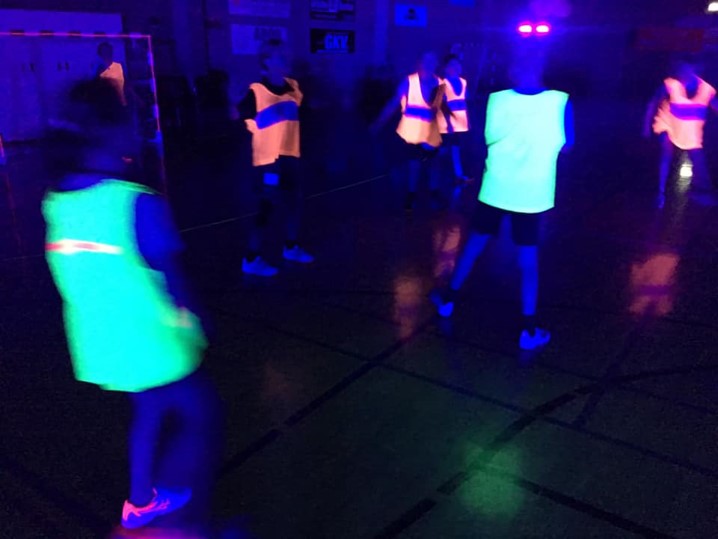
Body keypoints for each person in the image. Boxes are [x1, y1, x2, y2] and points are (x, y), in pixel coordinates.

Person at [43, 78, 220, 531]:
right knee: (202, 416)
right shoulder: (136, 202)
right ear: (109, 129)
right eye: (126, 116)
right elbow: (175, 282)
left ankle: (140, 501)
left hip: (103, 342)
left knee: (148, 409)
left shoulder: (57, 201)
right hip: (154, 340)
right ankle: (194, 524)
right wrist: (197, 322)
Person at [432, 52, 574, 351]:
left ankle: (448, 300)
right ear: (543, 68)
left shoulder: (496, 100)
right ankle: (529, 330)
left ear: (513, 70)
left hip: (496, 186)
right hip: (532, 192)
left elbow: (487, 139)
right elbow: (567, 145)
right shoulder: (560, 101)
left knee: (474, 245)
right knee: (528, 261)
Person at [237, 38, 314, 277]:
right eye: (279, 55)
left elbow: (298, 113)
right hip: (268, 161)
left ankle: (291, 247)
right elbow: (245, 119)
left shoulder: (293, 87)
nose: (285, 58)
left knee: (294, 200)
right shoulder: (256, 91)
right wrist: (268, 116)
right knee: (267, 205)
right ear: (267, 61)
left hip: (290, 154)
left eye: (285, 54)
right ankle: (252, 258)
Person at [372, 51, 452, 211]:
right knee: (414, 163)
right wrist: (379, 122)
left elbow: (441, 107)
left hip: (431, 132)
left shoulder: (439, 83)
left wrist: (449, 125)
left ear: (436, 64)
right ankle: (411, 193)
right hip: (412, 132)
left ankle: (434, 190)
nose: (429, 64)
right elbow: (393, 103)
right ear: (420, 63)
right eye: (426, 61)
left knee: (434, 163)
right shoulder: (409, 82)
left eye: (432, 61)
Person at [644, 60, 718, 207]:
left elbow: (715, 105)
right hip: (668, 125)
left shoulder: (706, 90)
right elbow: (653, 103)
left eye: (689, 70)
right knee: (666, 155)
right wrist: (646, 126)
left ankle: (701, 191)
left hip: (690, 131)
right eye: (683, 71)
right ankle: (660, 192)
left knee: (698, 160)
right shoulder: (670, 85)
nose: (686, 74)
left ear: (698, 70)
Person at [438, 54, 473, 185]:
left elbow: (465, 102)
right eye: (452, 64)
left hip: (461, 123)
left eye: (457, 64)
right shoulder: (443, 84)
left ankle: (458, 175)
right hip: (447, 123)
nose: (455, 67)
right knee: (444, 150)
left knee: (456, 148)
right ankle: (443, 177)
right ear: (446, 68)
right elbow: (442, 105)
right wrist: (448, 123)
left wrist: (468, 120)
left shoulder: (463, 82)